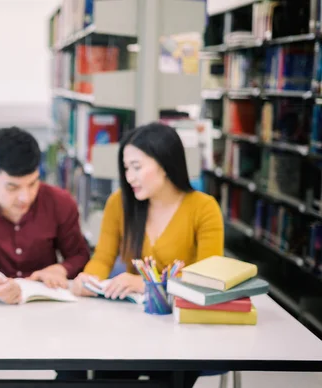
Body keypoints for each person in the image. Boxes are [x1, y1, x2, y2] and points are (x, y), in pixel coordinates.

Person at [71, 122, 224, 387]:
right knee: (106, 372)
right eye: (127, 168)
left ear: (164, 164)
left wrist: (147, 285)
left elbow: (207, 277)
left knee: (168, 377)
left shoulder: (203, 208)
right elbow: (103, 258)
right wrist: (87, 278)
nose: (130, 177)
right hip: (131, 325)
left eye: (137, 167)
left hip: (181, 327)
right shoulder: (119, 203)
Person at [0, 126, 90, 380]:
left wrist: (61, 268)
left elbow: (79, 255)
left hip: (44, 315)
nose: (25, 196)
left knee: (76, 368)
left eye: (33, 184)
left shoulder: (60, 201)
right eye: (12, 187)